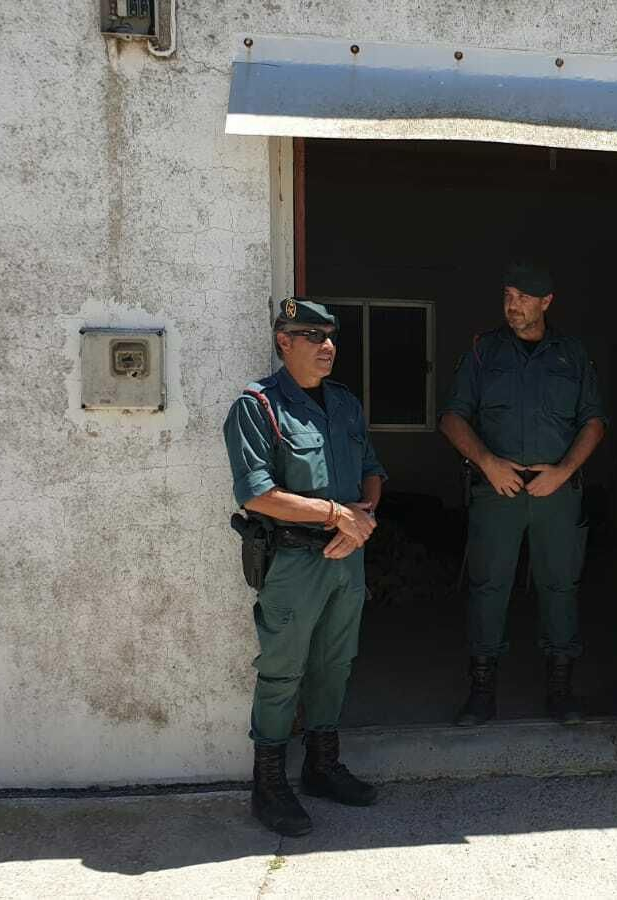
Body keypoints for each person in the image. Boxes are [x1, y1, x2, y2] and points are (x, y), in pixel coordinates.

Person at [223, 298, 387, 836]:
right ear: (284, 342)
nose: (327, 346)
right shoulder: (258, 406)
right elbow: (259, 495)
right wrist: (337, 515)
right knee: (281, 672)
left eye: (331, 336)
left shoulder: (343, 403)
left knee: (334, 665)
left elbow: (371, 469)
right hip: (294, 561)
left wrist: (361, 513)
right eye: (312, 335)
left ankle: (322, 766)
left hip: (347, 557)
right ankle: (268, 785)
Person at [439, 262, 607, 726]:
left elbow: (594, 421)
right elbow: (452, 418)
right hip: (499, 491)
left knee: (560, 588)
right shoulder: (484, 353)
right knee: (488, 588)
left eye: (524, 297)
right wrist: (487, 463)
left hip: (556, 491)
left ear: (547, 302)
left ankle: (561, 691)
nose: (513, 306)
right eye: (508, 295)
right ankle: (481, 691)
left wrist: (565, 470)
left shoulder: (571, 355)